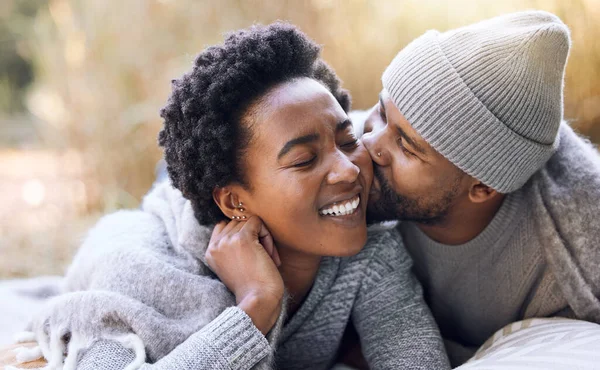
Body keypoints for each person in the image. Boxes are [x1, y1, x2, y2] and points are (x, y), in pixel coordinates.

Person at [11, 22, 450, 370]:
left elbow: (416, 360)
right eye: (303, 160)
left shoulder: (367, 248)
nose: (348, 168)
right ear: (234, 202)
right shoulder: (137, 271)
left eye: (346, 139)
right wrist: (256, 306)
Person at [359, 10, 600, 366]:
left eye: (406, 146)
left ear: (483, 187)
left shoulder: (571, 271)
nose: (369, 142)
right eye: (381, 111)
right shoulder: (346, 159)